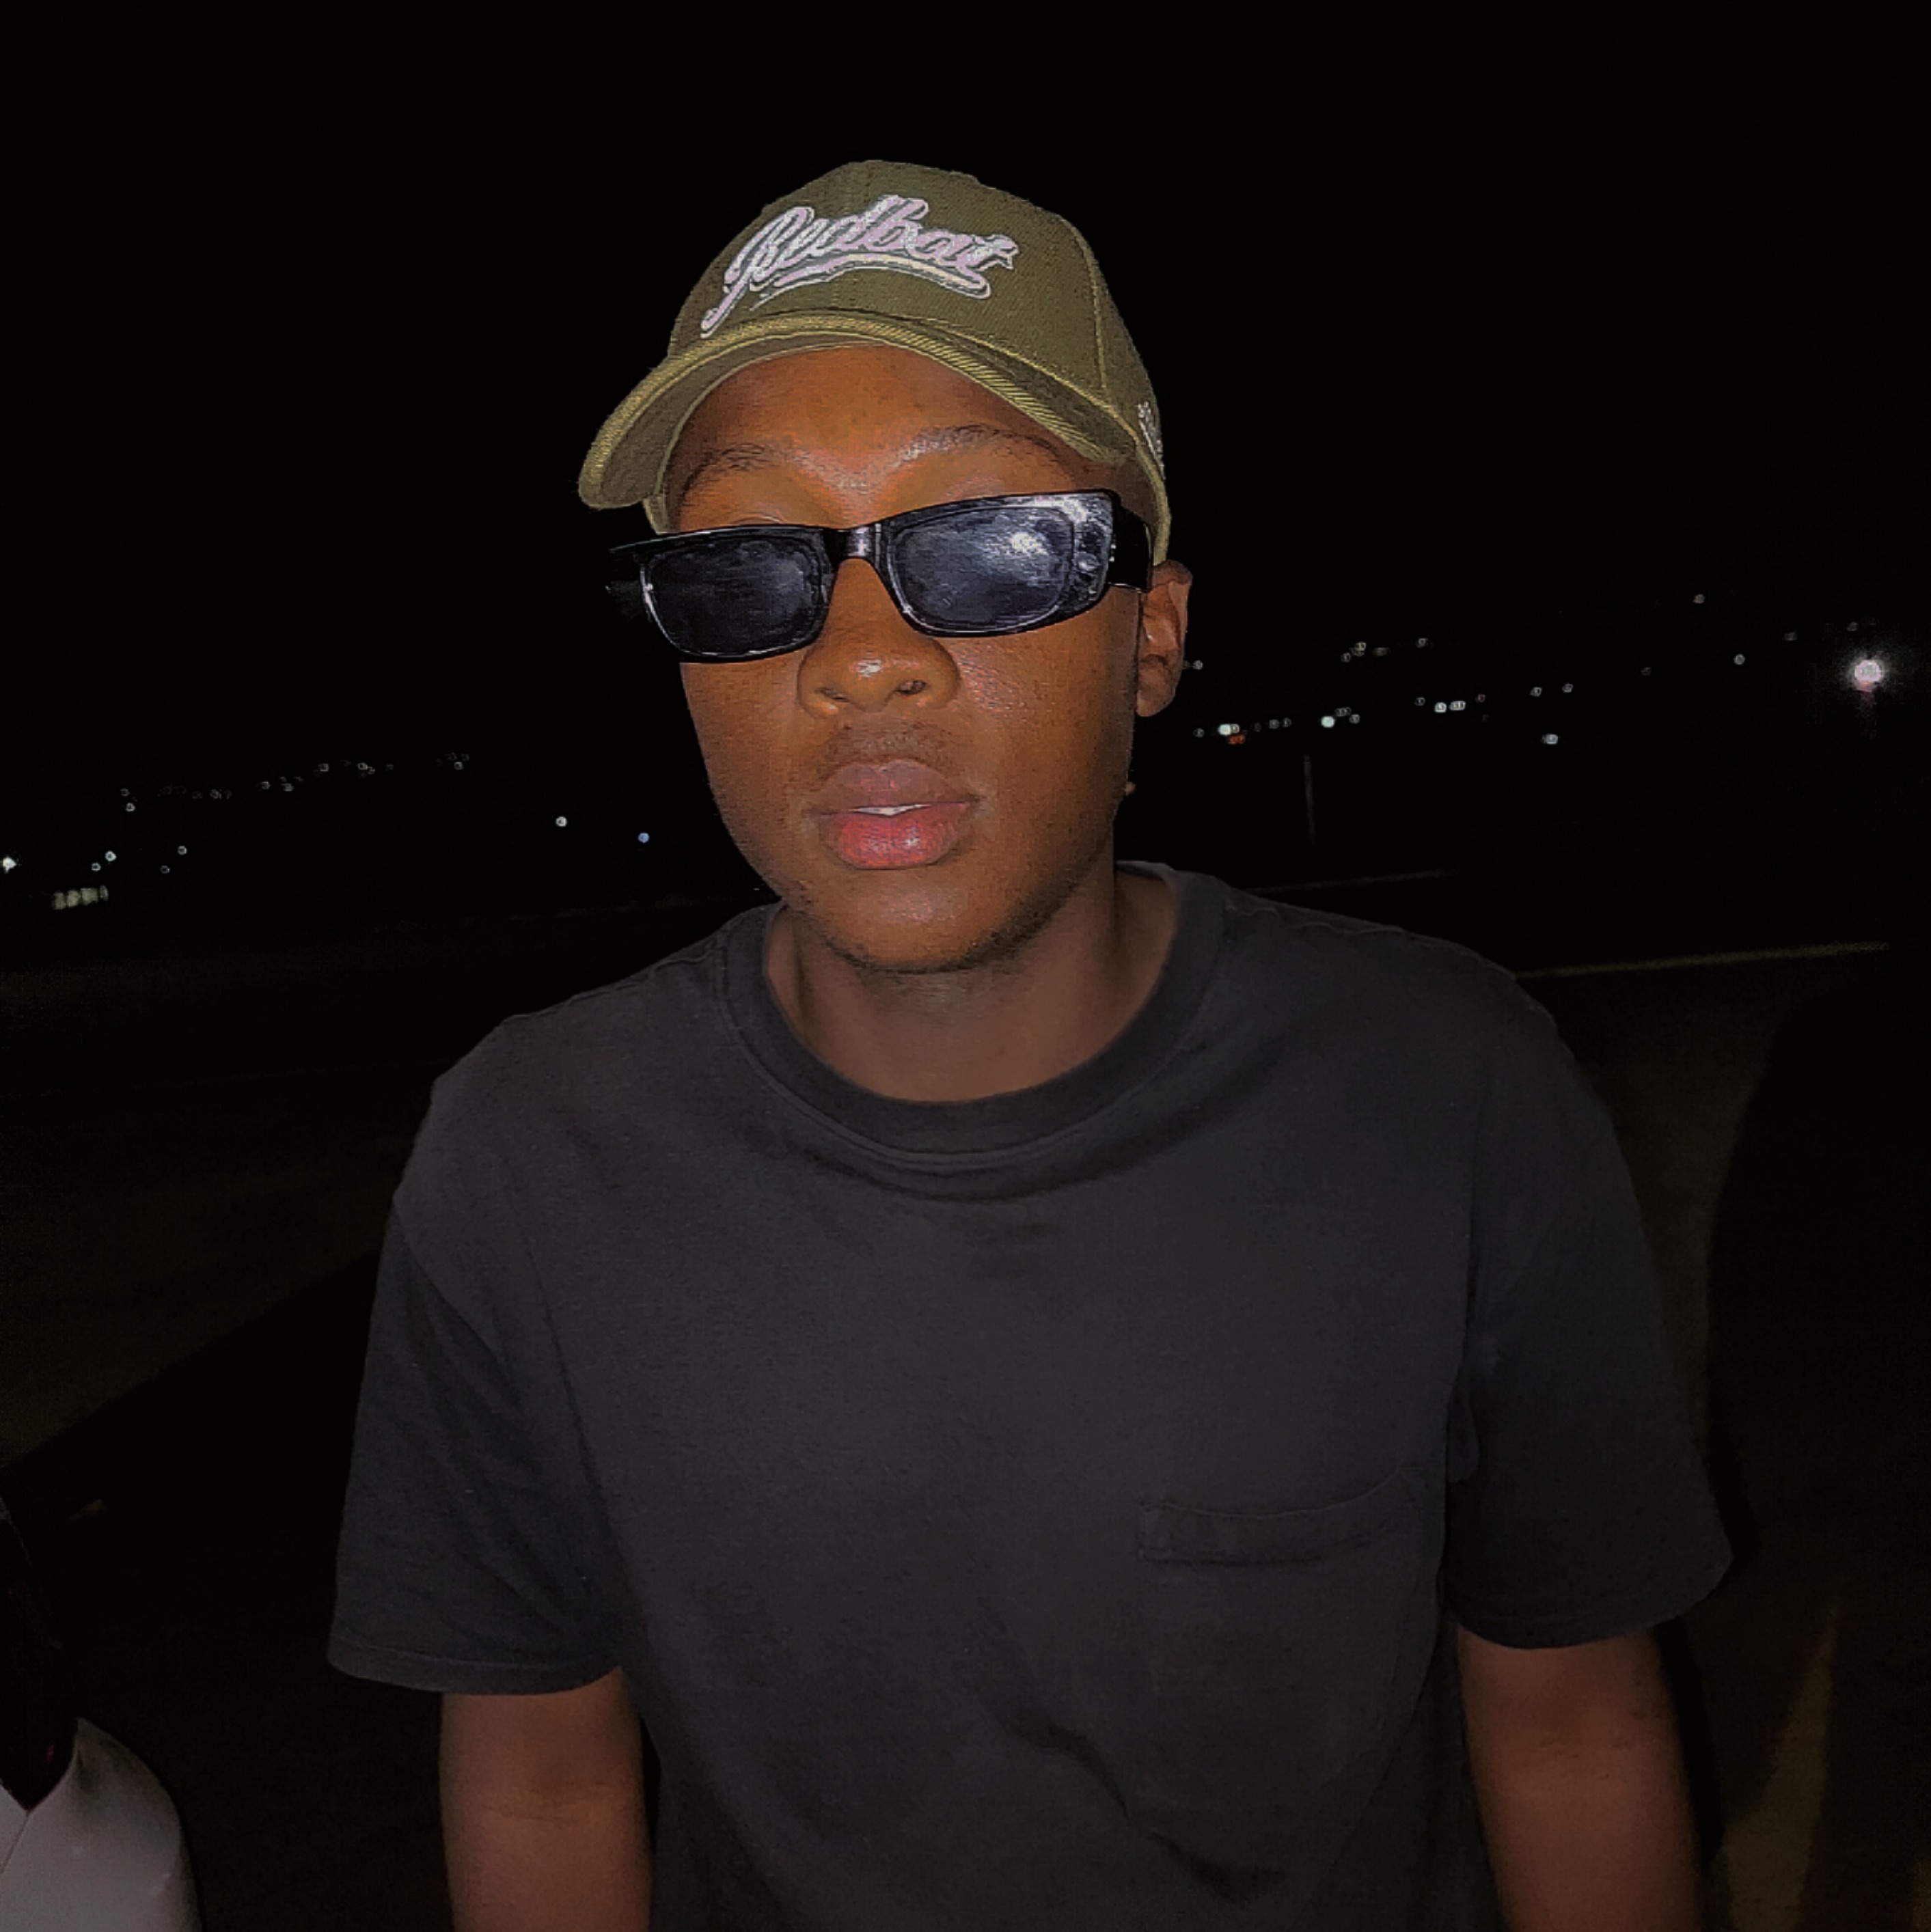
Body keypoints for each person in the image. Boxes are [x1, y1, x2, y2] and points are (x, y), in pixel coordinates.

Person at [329, 161, 1731, 1930]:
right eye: (748, 566)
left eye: (989, 545)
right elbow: (541, 1777)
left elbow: (1575, 1724)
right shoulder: (529, 1153)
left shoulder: (1443, 1087)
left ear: (1153, 636)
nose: (862, 660)